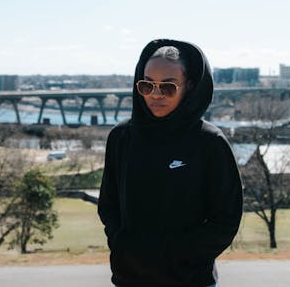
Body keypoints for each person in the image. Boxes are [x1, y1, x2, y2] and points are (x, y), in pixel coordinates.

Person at [98, 39, 243, 287]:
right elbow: (108, 205)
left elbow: (226, 218)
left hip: (191, 280)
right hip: (129, 279)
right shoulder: (121, 137)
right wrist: (122, 245)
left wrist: (179, 256)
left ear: (190, 86)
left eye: (168, 87)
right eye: (147, 85)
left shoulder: (209, 142)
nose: (155, 95)